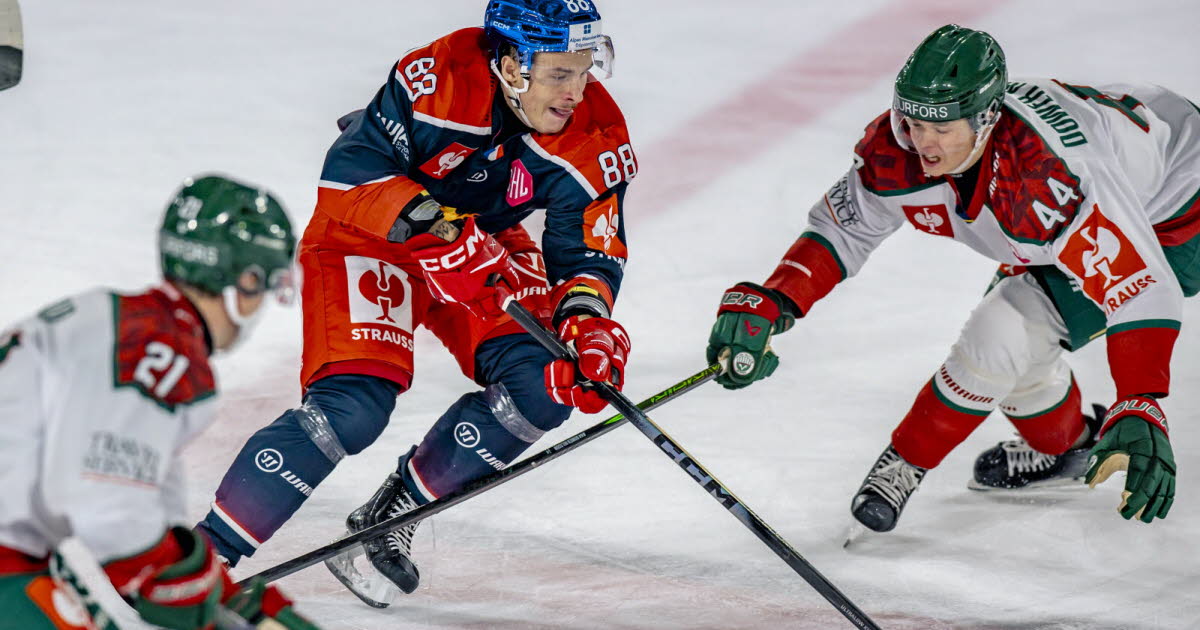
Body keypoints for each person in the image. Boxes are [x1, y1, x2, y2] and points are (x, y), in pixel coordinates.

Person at [195, 0, 636, 607]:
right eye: (560, 73)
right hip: (371, 235)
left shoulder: (596, 132)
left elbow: (586, 253)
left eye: (587, 68)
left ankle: (388, 518)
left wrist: (586, 321)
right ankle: (204, 557)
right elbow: (349, 173)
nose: (576, 91)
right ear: (510, 63)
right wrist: (438, 230)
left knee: (547, 379)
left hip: (481, 242)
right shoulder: (441, 77)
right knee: (352, 408)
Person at [705, 24, 1198, 534]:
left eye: (942, 129)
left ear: (987, 118)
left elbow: (1139, 288)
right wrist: (778, 295)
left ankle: (905, 463)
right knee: (1017, 353)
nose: (923, 143)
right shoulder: (897, 149)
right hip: (1103, 186)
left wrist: (1141, 400)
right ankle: (1069, 449)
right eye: (914, 121)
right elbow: (843, 227)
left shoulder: (1048, 179)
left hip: (1177, 214)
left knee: (1001, 333)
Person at [0, 175, 321, 629]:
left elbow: (149, 516)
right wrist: (206, 612)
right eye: (263, 284)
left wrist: (240, 606)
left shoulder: (117, 317)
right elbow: (111, 515)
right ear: (243, 280)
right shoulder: (163, 350)